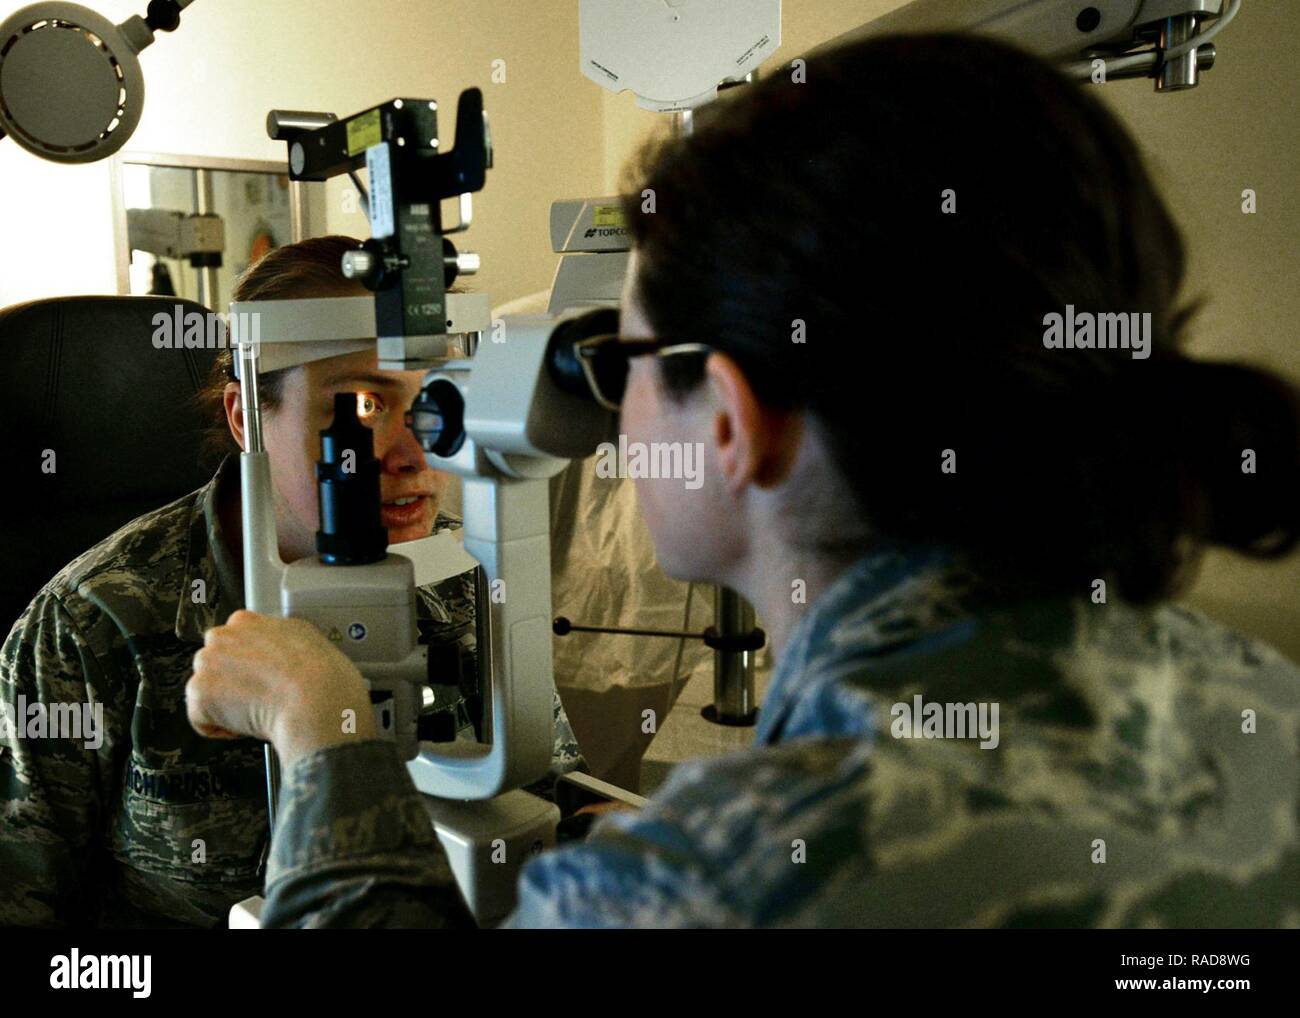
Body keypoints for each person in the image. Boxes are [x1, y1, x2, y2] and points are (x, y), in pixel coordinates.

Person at [185, 34, 1300, 928]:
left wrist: (326, 730)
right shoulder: (1265, 708)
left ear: (729, 420)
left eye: (620, 362)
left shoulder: (706, 882)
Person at [0, 236, 583, 928]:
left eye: (437, 404)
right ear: (247, 416)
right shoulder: (89, 626)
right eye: (365, 407)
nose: (414, 455)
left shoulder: (467, 578)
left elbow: (548, 811)